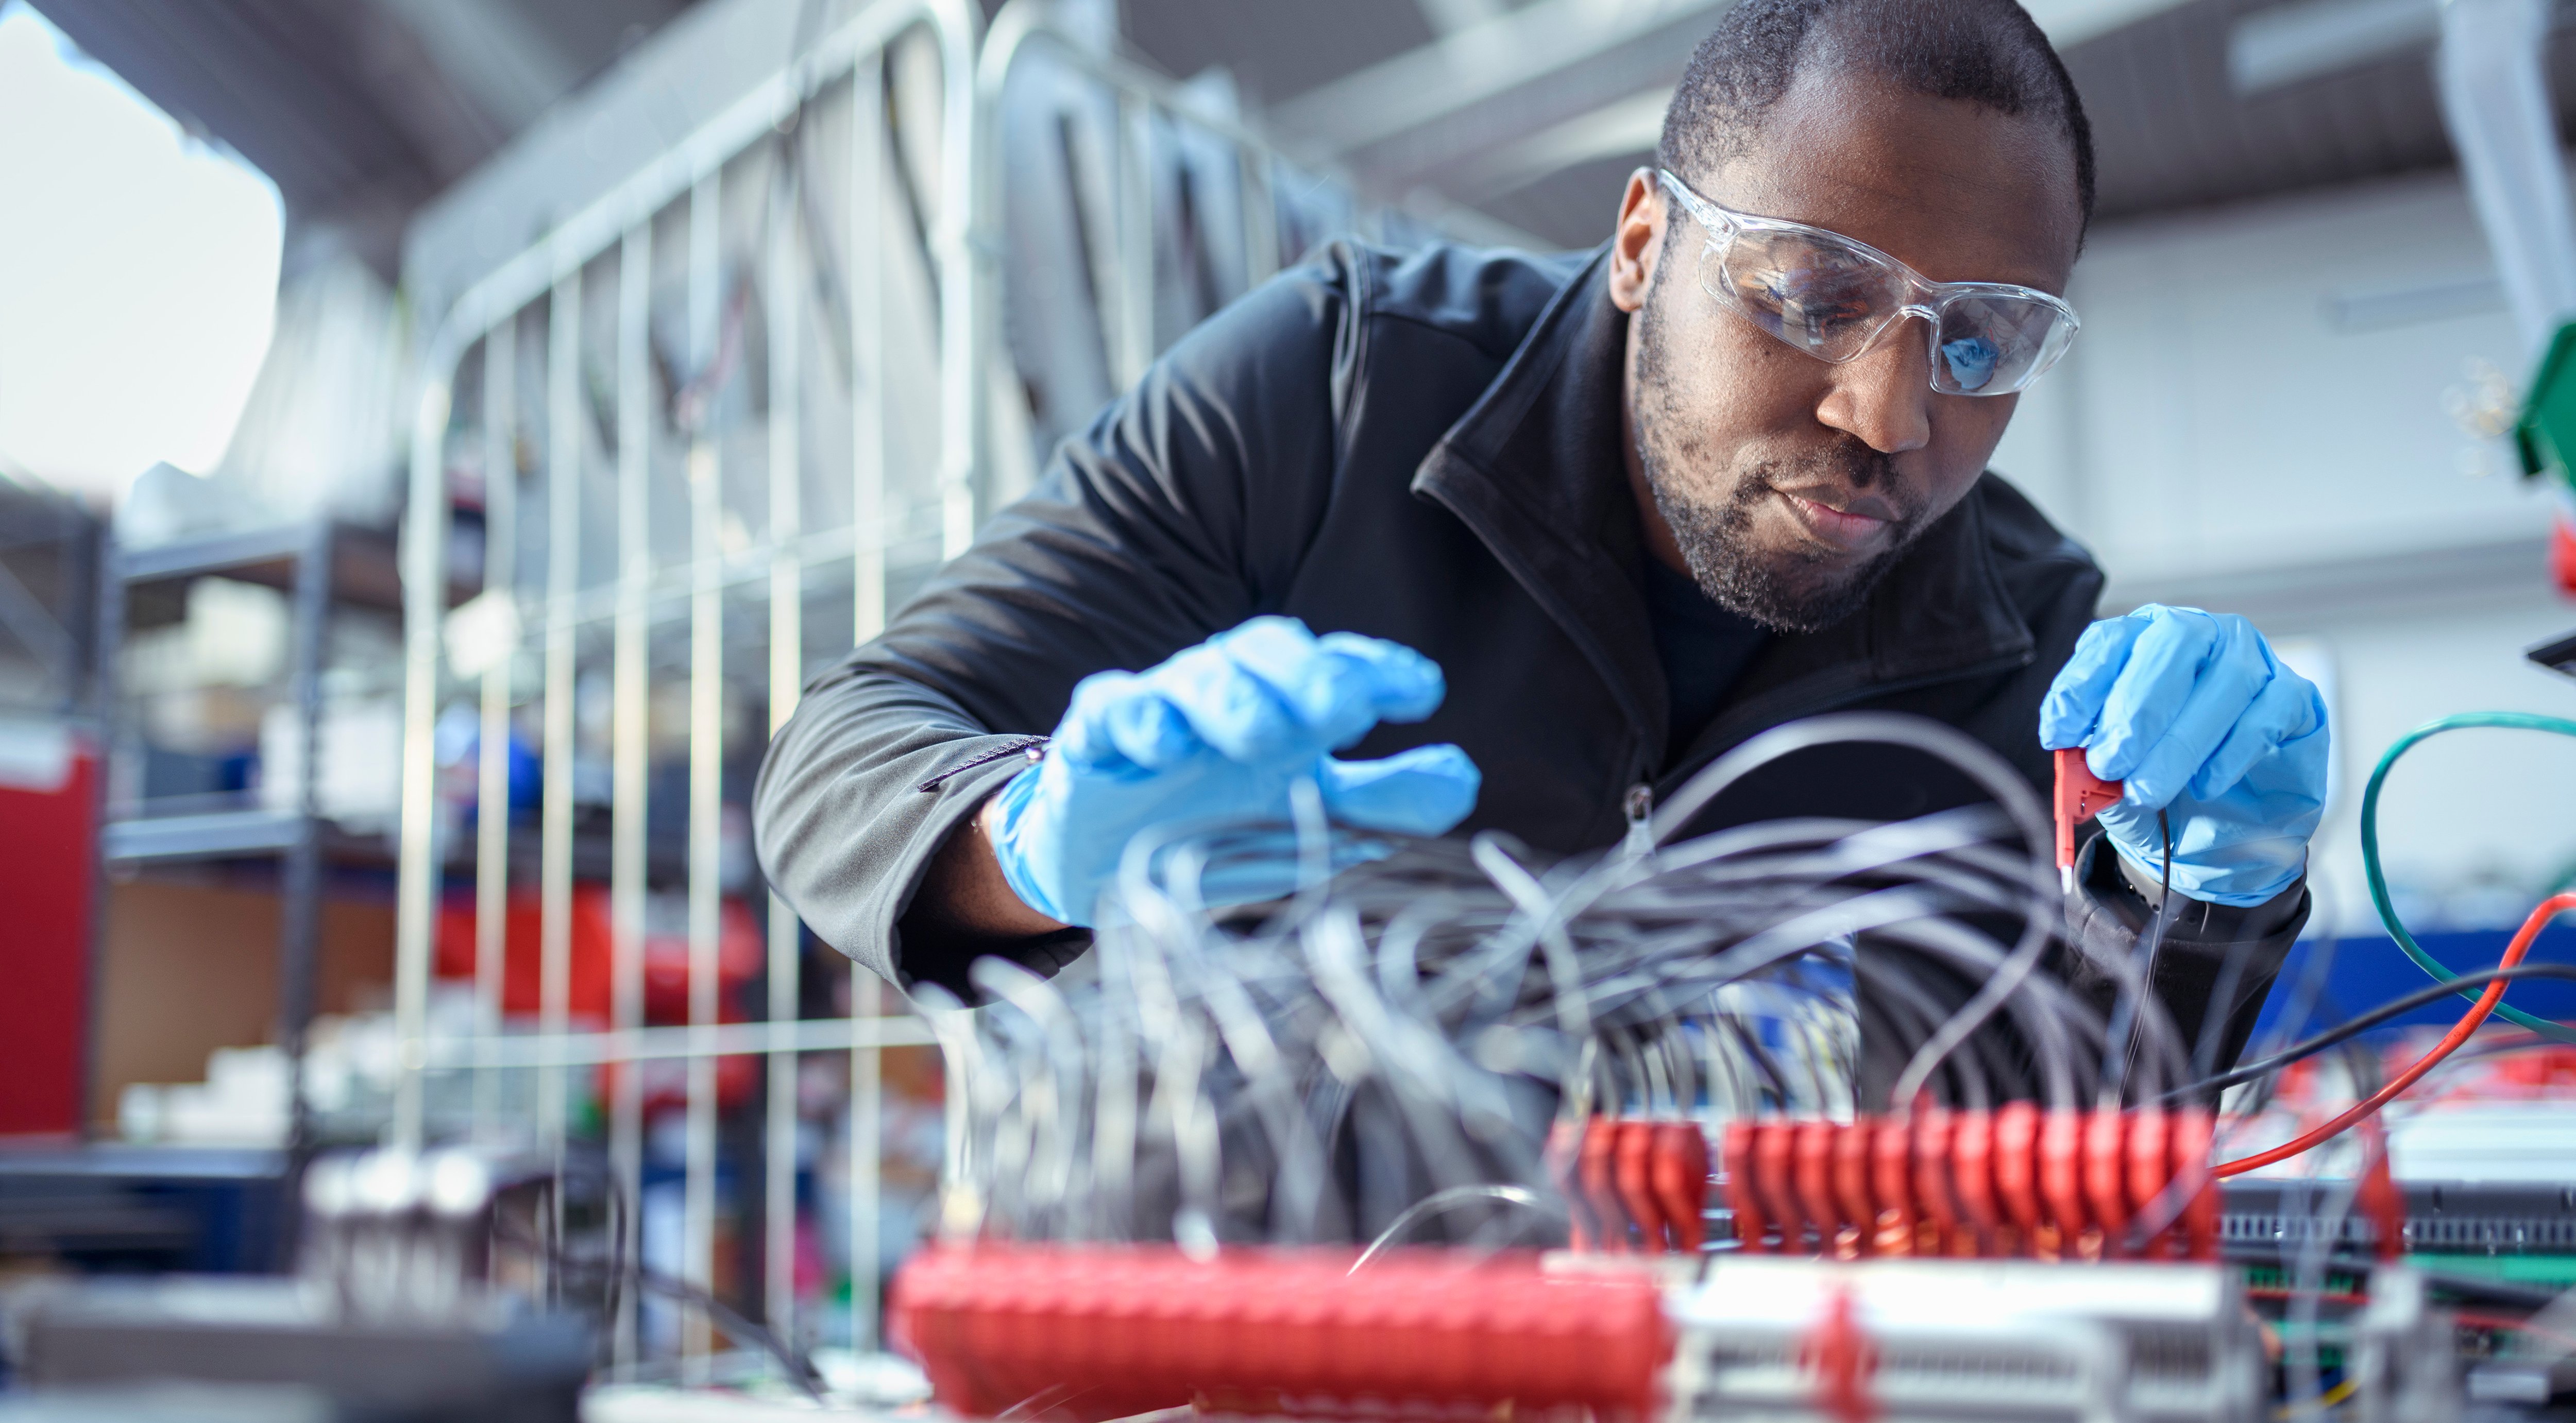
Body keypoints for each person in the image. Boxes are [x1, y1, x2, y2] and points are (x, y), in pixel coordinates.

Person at [754, 0, 2328, 1083]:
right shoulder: (1342, 385)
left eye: (1982, 340)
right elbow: (843, 751)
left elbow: (2070, 1132)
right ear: (1644, 241)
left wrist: (2207, 901)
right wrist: (1028, 841)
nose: (1893, 411)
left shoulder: (2027, 635)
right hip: (1274, 1342)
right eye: (1815, 294)